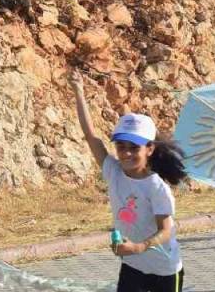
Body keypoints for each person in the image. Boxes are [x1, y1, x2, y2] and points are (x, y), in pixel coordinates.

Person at [70, 75, 186, 292]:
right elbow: (90, 136)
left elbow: (167, 230)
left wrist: (138, 246)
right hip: (133, 265)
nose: (126, 153)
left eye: (134, 147)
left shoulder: (156, 187)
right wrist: (79, 91)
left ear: (149, 149)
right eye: (121, 146)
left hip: (165, 270)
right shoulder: (113, 171)